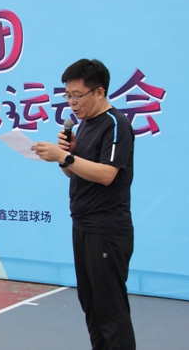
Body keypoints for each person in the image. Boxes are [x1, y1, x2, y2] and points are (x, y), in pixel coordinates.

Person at [31, 59, 136, 350]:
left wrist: (65, 157)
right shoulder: (85, 125)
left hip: (107, 229)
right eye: (68, 96)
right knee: (91, 306)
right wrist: (65, 157)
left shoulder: (115, 124)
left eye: (77, 95)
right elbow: (73, 172)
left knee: (111, 311)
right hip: (83, 225)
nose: (72, 103)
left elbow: (107, 175)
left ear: (99, 92)